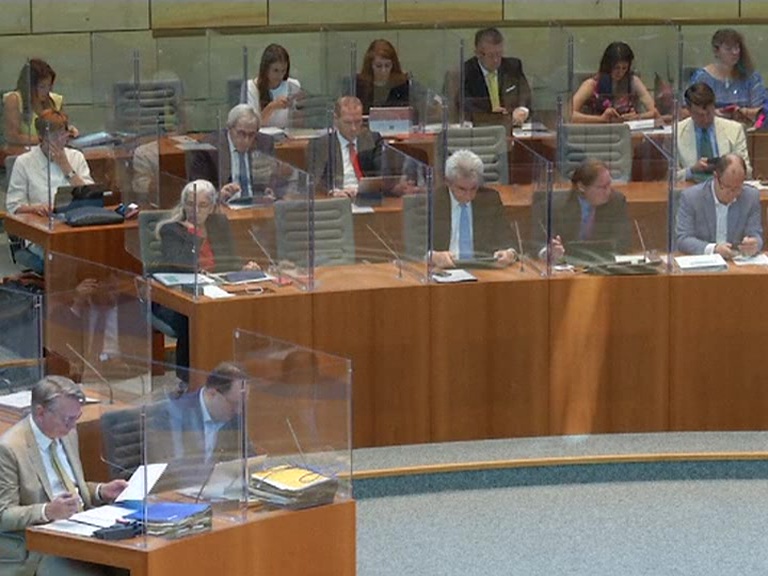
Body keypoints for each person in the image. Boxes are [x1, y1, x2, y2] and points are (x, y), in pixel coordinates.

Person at [0, 376, 128, 575]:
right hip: (38, 548)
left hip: (80, 531)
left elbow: (68, 487)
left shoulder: (67, 433)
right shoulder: (9, 449)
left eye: (76, 418)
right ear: (40, 412)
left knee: (130, 567)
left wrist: (101, 491)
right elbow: (4, 515)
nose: (72, 426)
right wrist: (47, 511)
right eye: (67, 419)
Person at [153, 180, 258, 382]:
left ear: (211, 207)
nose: (195, 210)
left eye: (202, 205)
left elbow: (230, 259)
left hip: (219, 287)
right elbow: (180, 263)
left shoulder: (218, 224)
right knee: (194, 316)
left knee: (244, 308)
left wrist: (244, 268)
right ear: (183, 205)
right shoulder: (172, 230)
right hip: (180, 295)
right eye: (190, 204)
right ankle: (189, 378)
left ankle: (232, 374)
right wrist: (193, 231)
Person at [6, 109, 94, 274]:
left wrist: (66, 168)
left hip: (75, 227)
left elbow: (91, 196)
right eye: (54, 136)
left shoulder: (76, 157)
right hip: (41, 231)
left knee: (95, 254)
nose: (60, 141)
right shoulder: (24, 162)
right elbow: (13, 206)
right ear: (41, 138)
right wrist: (35, 208)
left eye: (64, 134)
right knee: (65, 262)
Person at [431, 149, 516, 269]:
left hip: (483, 270)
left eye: (473, 188)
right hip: (444, 270)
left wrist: (509, 253)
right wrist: (432, 256)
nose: (468, 195)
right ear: (448, 182)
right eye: (462, 189)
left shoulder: (490, 199)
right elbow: (415, 247)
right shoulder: (433, 201)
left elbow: (509, 240)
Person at [533, 159, 631, 262]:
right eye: (603, 187)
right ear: (581, 187)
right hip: (566, 262)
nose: (609, 191)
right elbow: (539, 242)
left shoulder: (616, 201)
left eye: (609, 184)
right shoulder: (556, 206)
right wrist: (549, 251)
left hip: (602, 262)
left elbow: (623, 241)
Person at [675, 154, 762, 258]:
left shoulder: (750, 197)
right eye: (727, 187)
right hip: (702, 264)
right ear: (715, 177)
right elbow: (683, 239)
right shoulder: (691, 197)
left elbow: (756, 234)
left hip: (736, 263)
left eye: (738, 187)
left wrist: (754, 245)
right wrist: (714, 249)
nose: (732, 193)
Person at [187, 104, 276, 203]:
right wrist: (218, 195)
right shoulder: (208, 149)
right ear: (229, 128)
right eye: (241, 133)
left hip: (257, 206)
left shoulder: (265, 143)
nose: (246, 140)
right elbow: (199, 189)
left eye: (251, 135)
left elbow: (272, 178)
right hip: (225, 206)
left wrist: (271, 190)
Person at [306, 96, 382, 197]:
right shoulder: (320, 144)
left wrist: (363, 189)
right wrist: (333, 192)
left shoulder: (373, 140)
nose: (353, 128)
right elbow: (314, 181)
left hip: (365, 196)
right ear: (336, 120)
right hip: (336, 199)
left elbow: (382, 174)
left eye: (358, 122)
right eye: (348, 123)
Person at [676, 82, 752, 182]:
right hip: (691, 190)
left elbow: (748, 171)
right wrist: (692, 170)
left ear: (714, 106)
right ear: (689, 110)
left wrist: (727, 168)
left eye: (709, 113)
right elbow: (670, 177)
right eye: (700, 115)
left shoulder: (735, 130)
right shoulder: (676, 133)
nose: (706, 119)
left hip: (726, 187)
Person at [689, 28, 766, 125]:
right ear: (716, 51)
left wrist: (743, 112)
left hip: (746, 131)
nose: (735, 52)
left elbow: (762, 112)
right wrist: (712, 114)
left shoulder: (751, 77)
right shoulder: (701, 78)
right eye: (728, 49)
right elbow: (686, 111)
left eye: (737, 48)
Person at [571, 42, 658, 124]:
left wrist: (637, 117)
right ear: (608, 66)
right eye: (617, 68)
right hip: (597, 133)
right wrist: (601, 119)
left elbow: (654, 112)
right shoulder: (591, 85)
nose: (620, 72)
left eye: (624, 68)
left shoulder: (633, 81)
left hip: (626, 133)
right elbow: (569, 115)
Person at [462, 27, 531, 125]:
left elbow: (525, 94)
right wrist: (492, 115)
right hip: (481, 130)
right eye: (491, 56)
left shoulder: (513, 67)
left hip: (512, 129)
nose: (496, 60)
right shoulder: (465, 72)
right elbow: (463, 106)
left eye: (499, 54)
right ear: (478, 54)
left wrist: (522, 110)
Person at [3, 58, 77, 146]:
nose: (46, 91)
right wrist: (46, 139)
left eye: (49, 86)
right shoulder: (14, 99)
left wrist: (68, 132)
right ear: (29, 86)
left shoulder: (56, 100)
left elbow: (60, 130)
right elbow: (13, 137)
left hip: (52, 152)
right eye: (42, 87)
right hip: (23, 153)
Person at [246, 44, 302, 129]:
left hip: (286, 138)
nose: (280, 75)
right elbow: (252, 126)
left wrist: (297, 111)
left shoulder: (293, 86)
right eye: (275, 70)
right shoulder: (251, 87)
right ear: (265, 69)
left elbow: (299, 124)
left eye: (283, 71)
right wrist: (271, 107)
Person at [355, 39, 410, 114]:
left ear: (393, 65)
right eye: (378, 66)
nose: (383, 70)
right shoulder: (358, 86)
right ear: (370, 65)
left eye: (387, 65)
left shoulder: (404, 85)